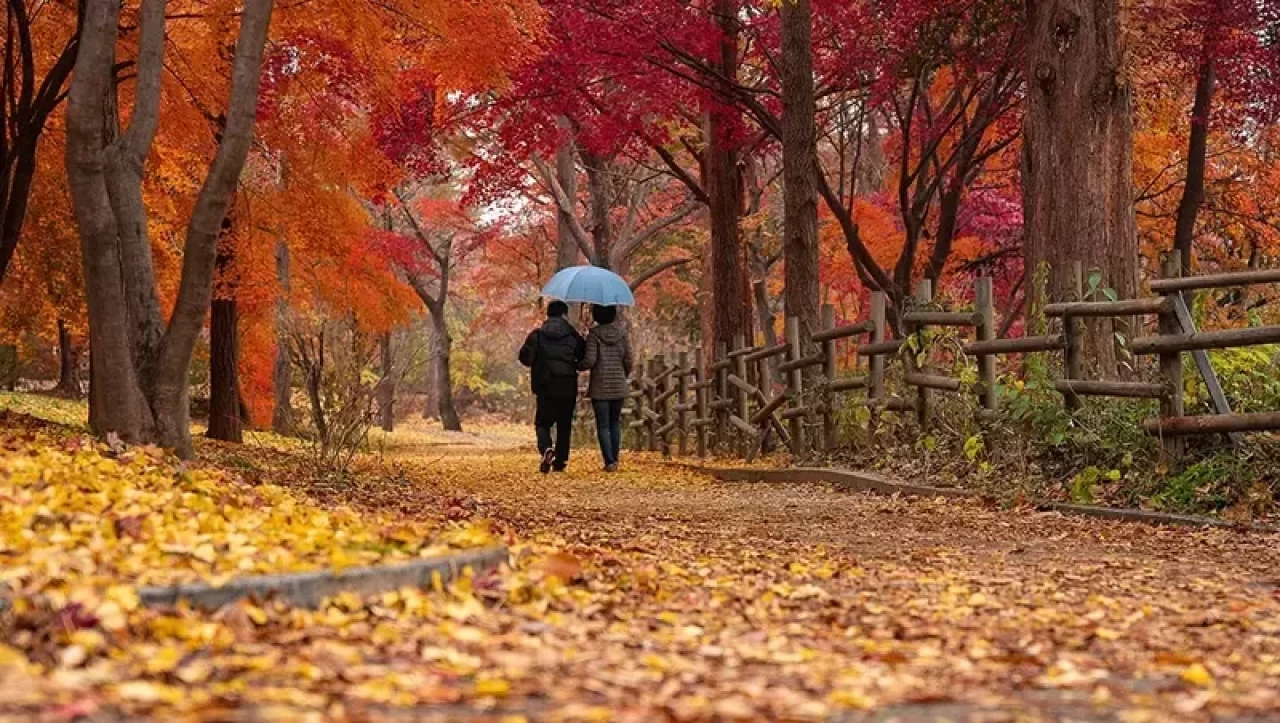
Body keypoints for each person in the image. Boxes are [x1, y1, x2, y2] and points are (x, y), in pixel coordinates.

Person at [518, 300, 584, 473]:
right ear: (564, 315)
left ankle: (546, 448)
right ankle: (560, 461)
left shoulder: (537, 335)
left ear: (548, 315)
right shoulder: (572, 336)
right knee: (564, 425)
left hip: (545, 384)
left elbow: (525, 357)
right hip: (567, 385)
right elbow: (583, 355)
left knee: (542, 423)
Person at [579, 304, 633, 472]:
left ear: (596, 315)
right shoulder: (622, 334)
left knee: (603, 425)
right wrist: (623, 375)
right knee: (614, 423)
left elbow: (590, 361)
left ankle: (609, 461)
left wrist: (577, 364)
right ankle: (615, 459)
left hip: (600, 387)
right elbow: (629, 360)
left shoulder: (594, 335)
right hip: (618, 385)